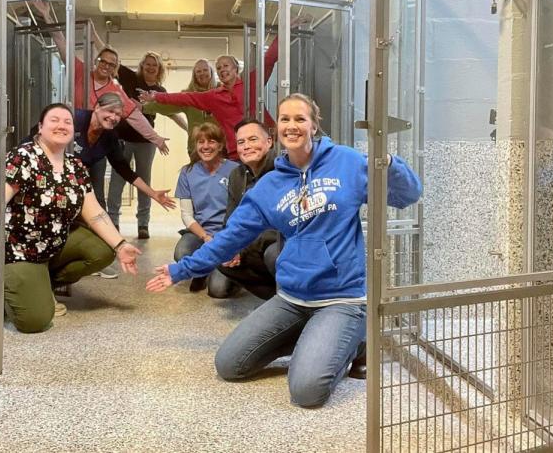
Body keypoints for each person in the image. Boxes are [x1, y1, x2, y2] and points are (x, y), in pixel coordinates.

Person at [146, 93, 422, 407]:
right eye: (285, 120)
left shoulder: (346, 162)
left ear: (314, 126)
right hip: (292, 298)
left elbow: (407, 195)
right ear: (277, 129)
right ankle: (316, 339)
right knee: (230, 365)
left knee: (306, 392)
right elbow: (229, 239)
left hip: (341, 298)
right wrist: (179, 269)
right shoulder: (270, 186)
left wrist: (387, 161)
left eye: (300, 119)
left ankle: (354, 343)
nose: (292, 126)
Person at [0, 103, 140, 333]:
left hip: (53, 244)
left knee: (103, 251)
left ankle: (43, 282)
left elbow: (95, 213)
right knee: (36, 322)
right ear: (40, 127)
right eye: (54, 120)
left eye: (67, 122)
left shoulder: (76, 166)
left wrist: (121, 244)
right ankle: (6, 283)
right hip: (18, 249)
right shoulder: (23, 157)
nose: (61, 125)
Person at [26, 1, 169, 213]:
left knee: (95, 192)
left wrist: (155, 138)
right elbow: (60, 42)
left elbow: (135, 117)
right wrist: (47, 16)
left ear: (115, 69)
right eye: (104, 61)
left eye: (112, 65)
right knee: (64, 188)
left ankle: (100, 232)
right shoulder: (80, 71)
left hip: (97, 143)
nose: (107, 66)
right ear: (97, 61)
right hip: (71, 139)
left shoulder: (115, 92)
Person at [23, 93, 176, 282]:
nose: (114, 117)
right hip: (43, 187)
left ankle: (55, 279)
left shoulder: (110, 136)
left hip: (72, 190)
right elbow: (32, 139)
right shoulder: (75, 120)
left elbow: (123, 168)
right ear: (96, 107)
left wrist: (152, 193)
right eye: (110, 111)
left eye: (118, 115)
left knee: (93, 228)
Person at [138, 41, 279, 161]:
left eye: (225, 66)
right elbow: (184, 98)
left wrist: (284, 28)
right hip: (235, 155)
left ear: (236, 68)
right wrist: (155, 97)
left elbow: (268, 60)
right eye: (219, 68)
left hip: (260, 149)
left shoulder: (250, 83)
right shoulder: (213, 96)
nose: (222, 69)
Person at [105, 52, 169, 239]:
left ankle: (143, 224)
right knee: (118, 180)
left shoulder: (160, 91)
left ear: (159, 69)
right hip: (123, 138)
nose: (150, 67)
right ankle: (113, 221)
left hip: (146, 143)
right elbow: (111, 55)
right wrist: (94, 36)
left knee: (144, 181)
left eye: (154, 65)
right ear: (142, 66)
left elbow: (171, 112)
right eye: (147, 64)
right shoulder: (131, 78)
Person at [215, 118, 280, 301]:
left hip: (278, 242)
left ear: (269, 142)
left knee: (274, 254)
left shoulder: (282, 170)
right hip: (251, 244)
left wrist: (243, 246)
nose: (247, 146)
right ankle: (275, 299)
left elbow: (278, 227)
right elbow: (230, 219)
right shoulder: (236, 175)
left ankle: (296, 299)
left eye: (253, 139)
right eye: (241, 142)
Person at [173, 123, 239, 297]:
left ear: (220, 145)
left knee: (218, 291)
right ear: (196, 146)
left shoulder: (235, 170)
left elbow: (242, 211)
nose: (206, 146)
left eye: (211, 141)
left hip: (227, 235)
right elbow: (187, 215)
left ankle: (227, 272)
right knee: (181, 253)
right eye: (201, 142)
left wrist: (226, 240)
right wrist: (205, 237)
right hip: (200, 233)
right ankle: (204, 269)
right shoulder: (187, 172)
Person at [142, 58, 219, 154]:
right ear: (194, 75)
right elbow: (167, 105)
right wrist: (144, 108)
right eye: (198, 71)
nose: (202, 73)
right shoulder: (188, 95)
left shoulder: (222, 91)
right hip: (196, 148)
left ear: (211, 71)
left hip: (219, 147)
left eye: (205, 70)